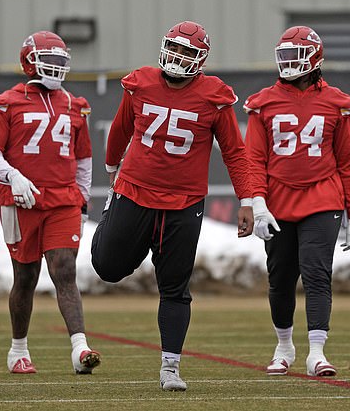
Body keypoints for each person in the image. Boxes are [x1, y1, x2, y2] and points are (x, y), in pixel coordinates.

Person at [90, 20, 254, 391]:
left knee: (175, 287)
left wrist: (247, 200)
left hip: (184, 203)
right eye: (174, 49)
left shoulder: (214, 96)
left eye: (186, 52)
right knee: (107, 267)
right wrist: (112, 167)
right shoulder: (141, 83)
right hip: (134, 191)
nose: (177, 57)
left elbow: (235, 153)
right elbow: (120, 129)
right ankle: (108, 220)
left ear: (200, 60)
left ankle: (170, 367)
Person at [0, 31, 100, 375]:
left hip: (62, 198)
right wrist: (14, 176)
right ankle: (18, 350)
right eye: (50, 60)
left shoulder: (74, 105)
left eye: (62, 61)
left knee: (64, 269)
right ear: (29, 61)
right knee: (26, 275)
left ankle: (80, 349)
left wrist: (82, 201)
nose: (56, 67)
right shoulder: (7, 102)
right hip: (20, 199)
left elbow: (83, 159)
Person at [244, 26, 350, 377]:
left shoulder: (336, 102)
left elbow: (347, 162)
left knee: (316, 273)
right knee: (280, 278)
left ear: (314, 58)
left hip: (323, 197)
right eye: (284, 56)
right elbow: (253, 160)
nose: (288, 63)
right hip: (277, 201)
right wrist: (257, 202)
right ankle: (284, 346)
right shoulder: (263, 102)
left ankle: (317, 353)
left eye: (295, 56)